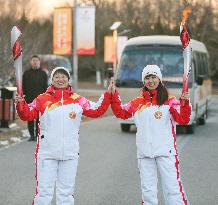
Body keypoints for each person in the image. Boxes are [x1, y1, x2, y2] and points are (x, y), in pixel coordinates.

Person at [15, 67, 111, 205]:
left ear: (68, 79)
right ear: (52, 80)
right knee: (44, 193)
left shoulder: (77, 100)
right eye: (57, 77)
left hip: (70, 154)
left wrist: (108, 95)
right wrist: (20, 104)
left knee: (66, 194)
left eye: (63, 76)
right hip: (47, 154)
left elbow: (96, 110)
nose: (60, 79)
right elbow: (27, 114)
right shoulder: (42, 99)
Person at [108, 64, 191, 205]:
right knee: (148, 191)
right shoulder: (137, 102)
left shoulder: (170, 101)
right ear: (143, 81)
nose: (150, 81)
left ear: (159, 79)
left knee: (173, 189)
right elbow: (121, 113)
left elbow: (183, 119)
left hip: (166, 152)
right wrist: (114, 95)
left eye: (153, 77)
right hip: (145, 153)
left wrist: (185, 104)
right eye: (147, 78)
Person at [22, 55, 48, 141]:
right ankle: (31, 136)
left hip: (40, 100)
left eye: (37, 60)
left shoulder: (43, 74)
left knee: (38, 119)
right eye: (33, 60)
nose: (35, 62)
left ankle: (37, 135)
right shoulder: (26, 73)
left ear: (39, 62)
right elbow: (23, 87)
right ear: (31, 62)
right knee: (30, 118)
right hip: (29, 99)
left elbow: (45, 87)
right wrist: (23, 97)